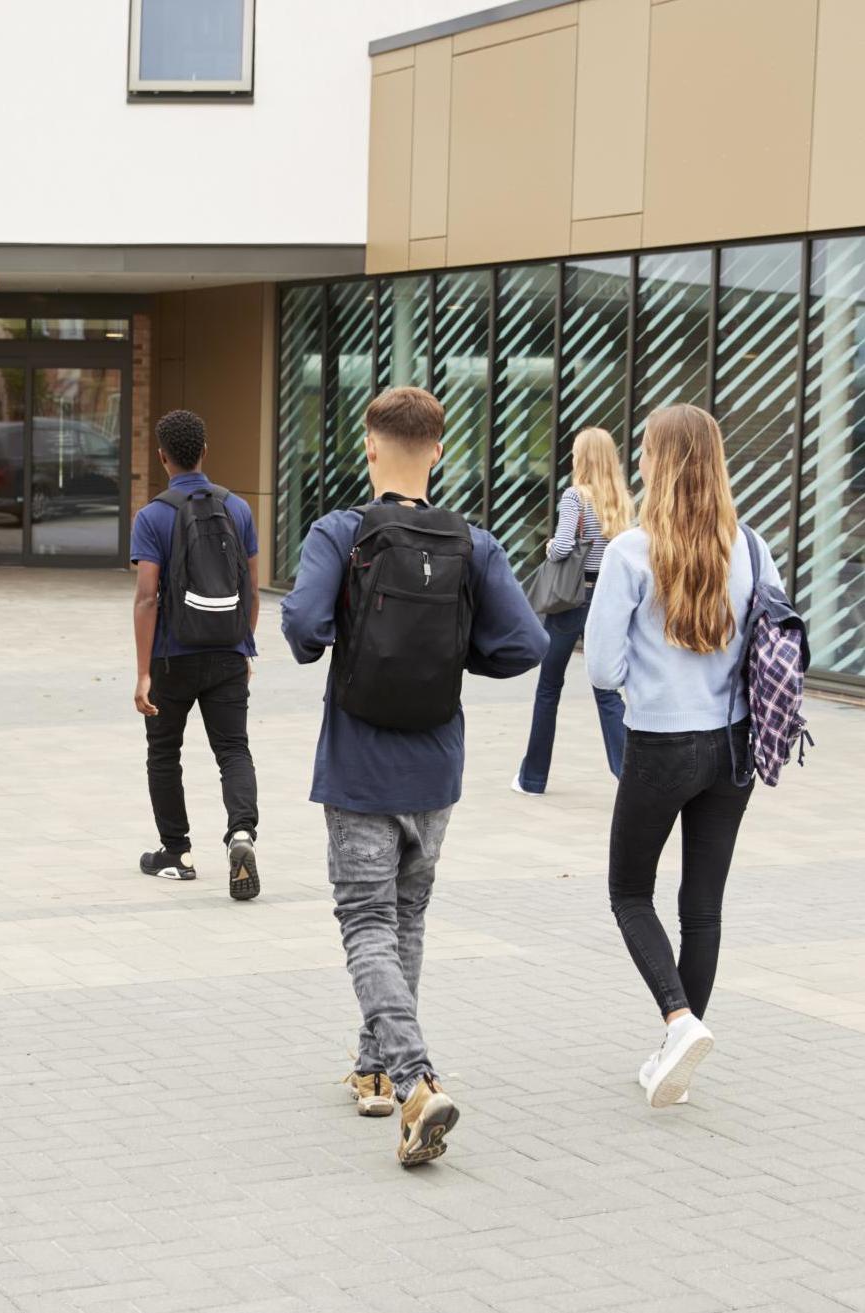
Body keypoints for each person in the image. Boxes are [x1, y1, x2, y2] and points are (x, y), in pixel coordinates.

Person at [281, 387, 545, 1165]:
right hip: (435, 766)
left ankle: (416, 1080)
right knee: (406, 920)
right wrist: (454, 656)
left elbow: (301, 624)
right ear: (438, 449)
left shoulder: (341, 530)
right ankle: (373, 1071)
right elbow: (526, 643)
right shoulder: (476, 543)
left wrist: (332, 644)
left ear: (368, 447)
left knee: (366, 922)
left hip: (359, 763)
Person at [585, 403, 779, 1109]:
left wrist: (653, 674)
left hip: (662, 742)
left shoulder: (631, 552)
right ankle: (679, 1050)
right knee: (702, 904)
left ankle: (678, 1021)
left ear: (658, 464)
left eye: (644, 451)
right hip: (735, 745)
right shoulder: (754, 547)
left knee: (629, 892)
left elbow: (603, 669)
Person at [130, 409, 262, 900]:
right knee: (233, 749)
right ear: (206, 451)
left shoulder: (153, 516)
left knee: (165, 751)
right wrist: (243, 646)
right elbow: (251, 587)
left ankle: (176, 853)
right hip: (227, 652)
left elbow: (147, 597)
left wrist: (143, 673)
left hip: (171, 656)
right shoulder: (239, 510)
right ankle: (242, 833)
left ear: (162, 457)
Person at [513, 427, 631, 794]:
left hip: (569, 602)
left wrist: (549, 546)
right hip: (605, 600)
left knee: (549, 687)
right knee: (606, 689)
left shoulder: (575, 497)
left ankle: (533, 779)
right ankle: (628, 776)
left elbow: (563, 547)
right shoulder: (622, 500)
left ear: (583, 458)